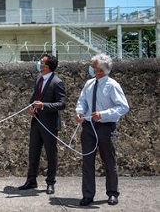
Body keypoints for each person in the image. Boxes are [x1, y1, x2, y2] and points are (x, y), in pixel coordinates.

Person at [75, 54, 129, 206]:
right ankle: (87, 194)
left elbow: (123, 107)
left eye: (93, 66)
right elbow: (83, 101)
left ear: (100, 70)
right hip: (89, 127)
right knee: (87, 161)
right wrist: (79, 112)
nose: (91, 69)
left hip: (106, 127)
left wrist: (103, 114)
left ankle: (112, 193)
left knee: (109, 161)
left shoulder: (112, 85)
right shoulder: (89, 84)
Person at [18, 53, 66, 195]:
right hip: (36, 121)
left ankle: (50, 183)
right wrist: (31, 108)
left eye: (42, 62)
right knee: (33, 152)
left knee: (51, 154)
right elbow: (34, 97)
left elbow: (62, 104)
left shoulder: (57, 82)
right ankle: (31, 180)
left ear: (48, 66)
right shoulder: (39, 78)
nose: (40, 64)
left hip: (49, 124)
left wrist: (43, 105)